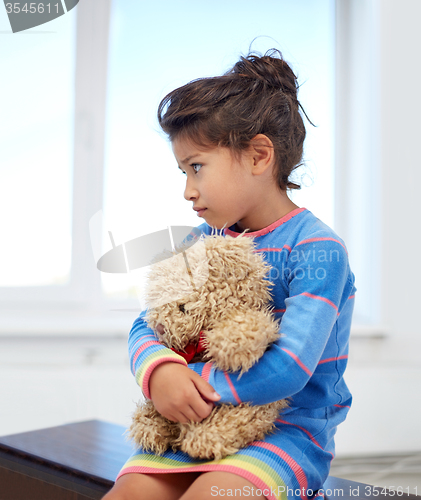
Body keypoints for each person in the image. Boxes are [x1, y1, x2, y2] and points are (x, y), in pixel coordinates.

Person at [102, 49, 357, 500]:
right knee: (129, 494)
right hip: (195, 427)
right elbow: (149, 323)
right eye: (183, 171)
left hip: (286, 434)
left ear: (259, 155)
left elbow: (291, 366)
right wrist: (159, 372)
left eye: (197, 167)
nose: (187, 190)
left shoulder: (318, 249)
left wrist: (198, 385)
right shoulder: (200, 241)